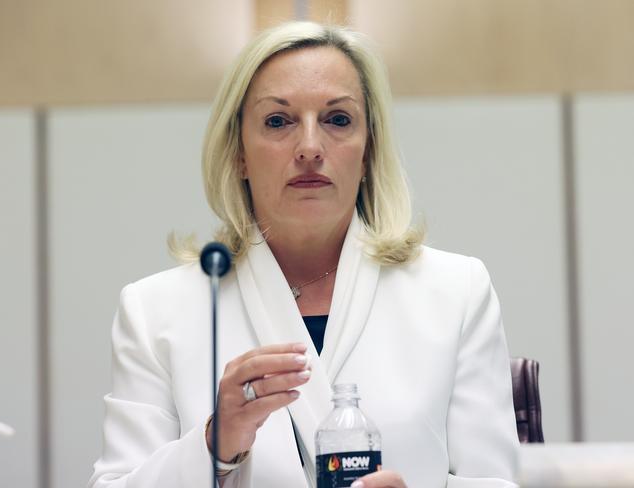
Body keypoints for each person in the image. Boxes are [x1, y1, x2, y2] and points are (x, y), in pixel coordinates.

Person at [88, 21, 519, 488]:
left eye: (338, 120)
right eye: (278, 121)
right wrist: (214, 445)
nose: (310, 148)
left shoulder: (456, 291)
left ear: (369, 148)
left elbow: (495, 481)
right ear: (238, 153)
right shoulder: (156, 311)